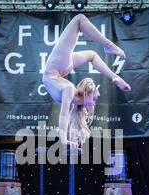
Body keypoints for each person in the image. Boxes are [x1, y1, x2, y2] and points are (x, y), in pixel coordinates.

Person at [42, 14, 131, 150]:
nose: (94, 102)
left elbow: (64, 114)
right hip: (61, 68)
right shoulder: (71, 94)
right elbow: (65, 116)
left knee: (79, 19)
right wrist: (65, 140)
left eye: (94, 98)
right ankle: (114, 76)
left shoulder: (70, 91)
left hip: (55, 67)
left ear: (85, 94)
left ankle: (108, 47)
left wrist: (66, 140)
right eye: (94, 99)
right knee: (92, 54)